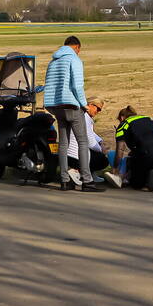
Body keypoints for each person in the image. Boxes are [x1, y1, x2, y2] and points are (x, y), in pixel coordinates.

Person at [43, 36, 104, 193]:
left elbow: (49, 84)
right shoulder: (74, 59)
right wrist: (84, 104)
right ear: (77, 47)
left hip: (56, 105)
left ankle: (64, 180)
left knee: (63, 143)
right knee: (82, 142)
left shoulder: (53, 61)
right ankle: (87, 181)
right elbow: (77, 85)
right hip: (71, 104)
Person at [114, 106, 153, 192]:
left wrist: (115, 168)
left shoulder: (123, 124)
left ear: (122, 117)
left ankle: (145, 181)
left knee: (136, 184)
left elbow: (120, 150)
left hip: (146, 152)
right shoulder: (147, 118)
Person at [63, 98, 122, 188]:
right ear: (90, 105)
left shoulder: (81, 114)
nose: (98, 112)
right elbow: (90, 141)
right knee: (103, 160)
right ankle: (77, 172)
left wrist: (100, 141)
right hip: (76, 156)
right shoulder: (85, 117)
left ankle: (89, 174)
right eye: (98, 109)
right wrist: (102, 150)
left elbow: (91, 133)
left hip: (67, 152)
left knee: (96, 152)